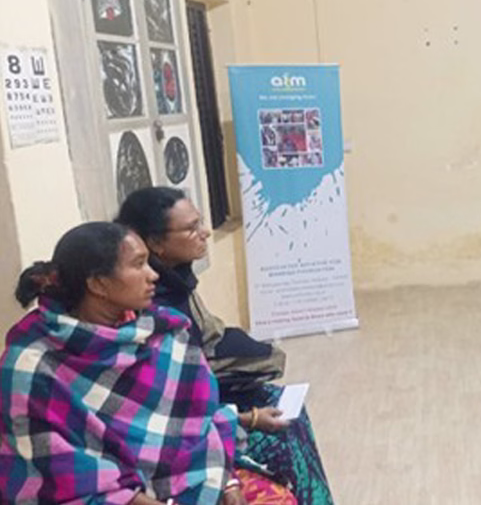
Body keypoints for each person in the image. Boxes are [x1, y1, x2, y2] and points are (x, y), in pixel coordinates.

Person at [1, 222, 257, 505]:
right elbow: (61, 475)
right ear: (98, 283)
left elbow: (199, 421)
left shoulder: (160, 331)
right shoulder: (29, 367)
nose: (153, 275)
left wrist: (228, 482)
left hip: (190, 477)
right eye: (139, 264)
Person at [115, 187, 334, 503]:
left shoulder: (175, 281)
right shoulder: (144, 308)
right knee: (281, 435)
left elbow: (203, 349)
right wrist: (243, 424)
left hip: (202, 404)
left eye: (200, 222)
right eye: (191, 228)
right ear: (156, 243)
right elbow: (164, 405)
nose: (204, 233)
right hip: (178, 430)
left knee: (289, 413)